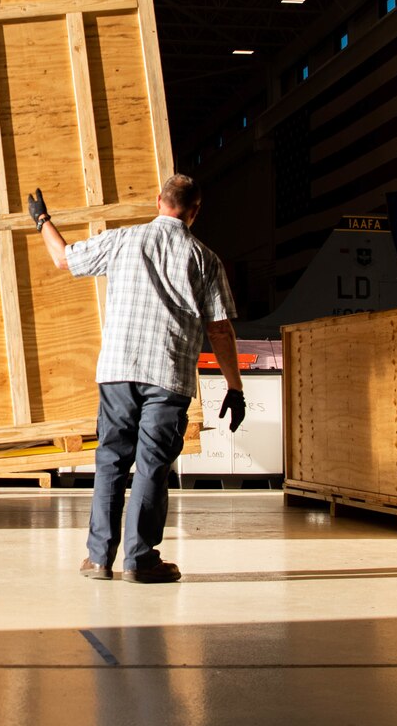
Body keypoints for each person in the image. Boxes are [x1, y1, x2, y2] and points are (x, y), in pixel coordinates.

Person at [28, 174, 245, 584]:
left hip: (118, 372)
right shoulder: (204, 258)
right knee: (151, 467)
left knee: (110, 460)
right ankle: (140, 560)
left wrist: (42, 220)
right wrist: (234, 386)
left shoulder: (123, 240)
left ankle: (97, 559)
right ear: (195, 212)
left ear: (157, 200)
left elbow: (64, 258)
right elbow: (219, 329)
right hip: (168, 377)